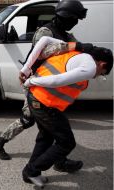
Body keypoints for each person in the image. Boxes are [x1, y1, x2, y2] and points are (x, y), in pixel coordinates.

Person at [0, 0, 90, 165]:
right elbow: (41, 54)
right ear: (65, 16)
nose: (75, 23)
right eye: (74, 19)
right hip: (37, 83)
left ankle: (56, 158)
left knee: (45, 121)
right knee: (33, 119)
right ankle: (1, 143)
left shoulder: (67, 35)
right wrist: (73, 47)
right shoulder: (45, 32)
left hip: (54, 85)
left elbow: (74, 51)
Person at [19, 36, 113, 188]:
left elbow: (44, 40)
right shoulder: (90, 67)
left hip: (37, 98)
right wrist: (31, 81)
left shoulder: (76, 50)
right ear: (102, 64)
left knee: (46, 137)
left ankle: (32, 173)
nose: (98, 76)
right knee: (66, 142)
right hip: (44, 102)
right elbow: (57, 81)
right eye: (102, 73)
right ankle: (31, 171)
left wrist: (26, 68)